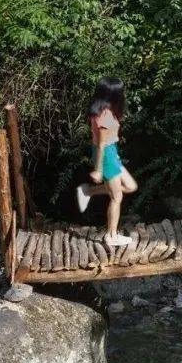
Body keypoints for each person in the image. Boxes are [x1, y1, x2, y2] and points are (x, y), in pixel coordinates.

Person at [76, 77, 138, 246]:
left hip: (111, 153)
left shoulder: (102, 111)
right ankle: (111, 236)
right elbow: (102, 144)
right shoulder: (105, 115)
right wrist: (98, 169)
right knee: (116, 197)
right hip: (106, 155)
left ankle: (88, 192)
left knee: (131, 186)